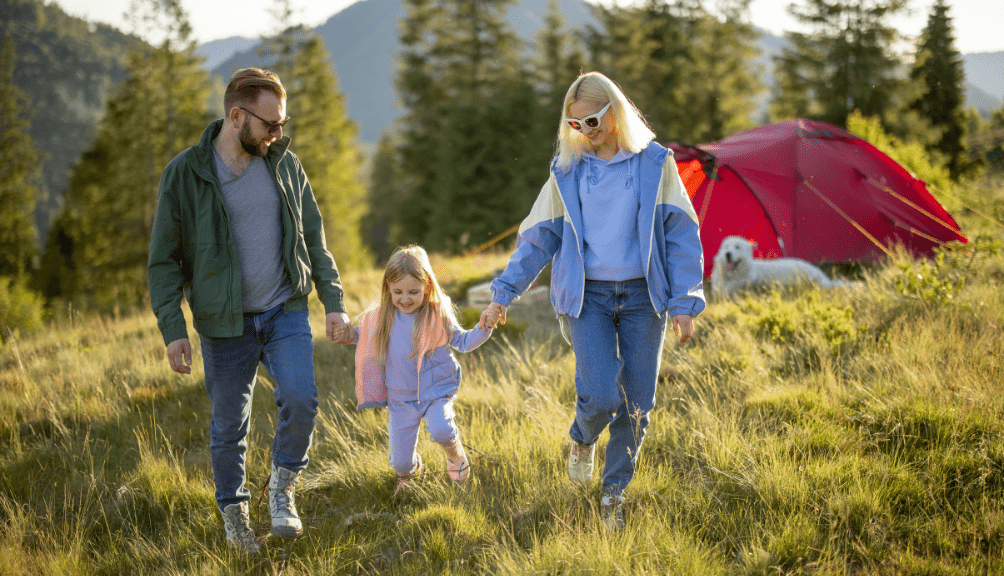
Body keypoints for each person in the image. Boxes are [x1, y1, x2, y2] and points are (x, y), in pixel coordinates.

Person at [479, 71, 705, 530]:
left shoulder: (655, 164)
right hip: (589, 299)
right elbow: (537, 239)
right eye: (574, 124)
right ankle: (582, 437)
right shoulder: (567, 171)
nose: (584, 131)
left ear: (616, 112)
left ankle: (613, 493)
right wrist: (502, 293)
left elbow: (681, 233)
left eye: (593, 120)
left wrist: (684, 301)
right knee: (601, 394)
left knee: (638, 404)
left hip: (645, 298)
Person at [148, 68, 353, 553]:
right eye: (270, 124)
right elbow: (163, 261)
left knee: (301, 399)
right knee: (227, 427)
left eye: (282, 124)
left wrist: (335, 304)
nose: (278, 134)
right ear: (236, 115)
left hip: (284, 311)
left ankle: (282, 489)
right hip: (225, 325)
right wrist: (173, 329)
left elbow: (314, 240)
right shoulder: (185, 174)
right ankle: (236, 516)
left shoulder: (284, 164)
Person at [334, 245, 491, 494]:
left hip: (435, 391)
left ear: (427, 287)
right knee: (400, 463)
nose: (405, 299)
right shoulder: (381, 317)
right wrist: (346, 335)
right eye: (397, 292)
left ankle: (453, 450)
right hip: (401, 399)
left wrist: (484, 327)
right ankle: (410, 473)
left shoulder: (436, 315)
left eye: (413, 292)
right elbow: (361, 337)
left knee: (442, 430)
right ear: (388, 288)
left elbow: (463, 341)